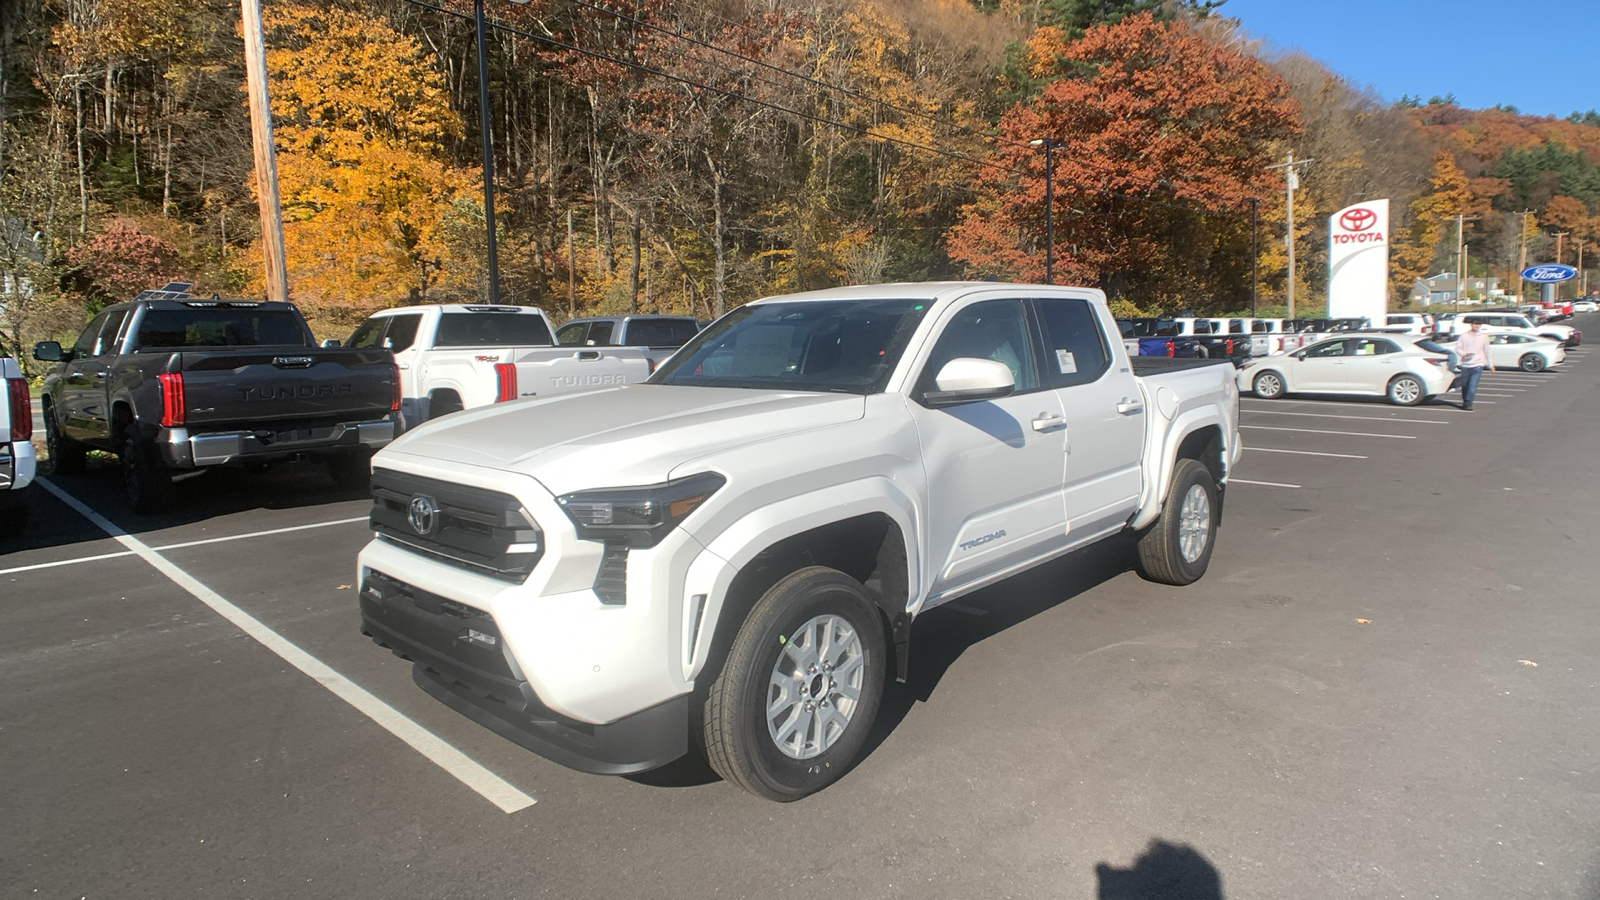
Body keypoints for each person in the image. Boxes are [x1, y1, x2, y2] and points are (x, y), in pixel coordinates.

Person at [1453, 320, 1495, 410]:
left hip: (1478, 364)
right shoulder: (1464, 336)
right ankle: (1465, 401)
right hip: (1465, 365)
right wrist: (1464, 354)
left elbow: (1487, 350)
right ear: (1471, 325)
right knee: (1465, 386)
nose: (1477, 326)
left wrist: (1490, 364)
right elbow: (1457, 348)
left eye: (1479, 324)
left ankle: (1469, 403)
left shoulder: (1483, 336)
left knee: (1472, 385)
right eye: (1475, 324)